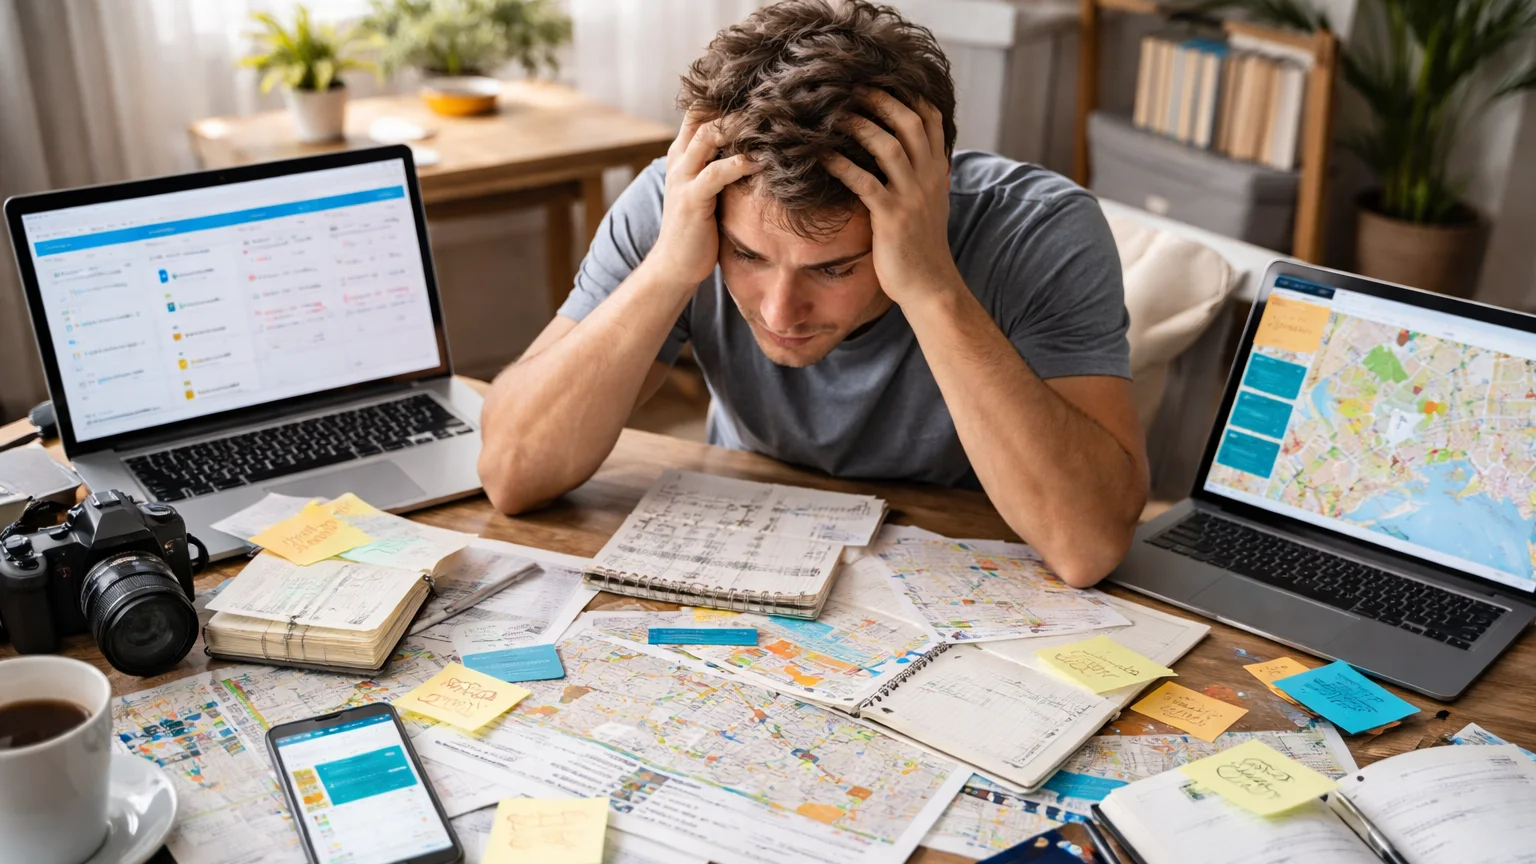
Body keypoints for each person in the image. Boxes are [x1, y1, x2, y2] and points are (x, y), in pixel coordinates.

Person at [478, 0, 1147, 587]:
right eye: (747, 256)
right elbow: (511, 472)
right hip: (743, 548)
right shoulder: (683, 201)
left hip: (967, 569)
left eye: (833, 268)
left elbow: (1085, 547)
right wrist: (667, 271)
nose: (778, 313)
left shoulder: (1040, 229)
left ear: (930, 197)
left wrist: (931, 285)